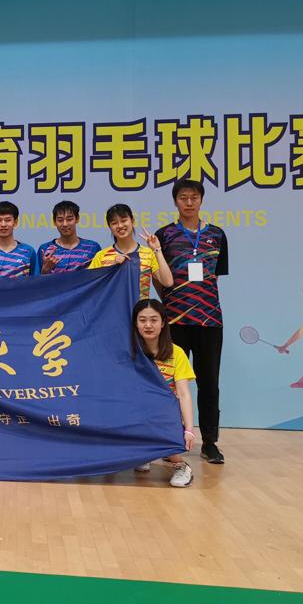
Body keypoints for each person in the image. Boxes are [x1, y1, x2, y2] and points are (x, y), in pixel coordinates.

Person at [155, 179, 229, 464]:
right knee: (170, 383)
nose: (189, 202)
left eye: (194, 197)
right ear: (175, 201)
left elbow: (214, 276)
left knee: (209, 383)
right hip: (174, 320)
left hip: (210, 320)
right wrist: (172, 300)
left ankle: (210, 442)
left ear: (201, 200)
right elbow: (160, 277)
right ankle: (170, 439)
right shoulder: (165, 235)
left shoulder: (217, 235)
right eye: (183, 197)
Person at [132, 299, 195, 488]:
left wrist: (189, 429)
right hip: (137, 411)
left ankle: (181, 466)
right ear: (135, 323)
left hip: (165, 415)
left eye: (154, 320)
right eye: (142, 320)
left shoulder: (177, 353)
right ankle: (144, 453)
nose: (148, 325)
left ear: (163, 323)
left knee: (162, 412)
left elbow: (183, 394)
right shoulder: (130, 353)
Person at [89, 204, 172, 301]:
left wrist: (157, 250)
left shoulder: (148, 253)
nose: (120, 226)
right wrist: (111, 268)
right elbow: (90, 287)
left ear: (132, 221)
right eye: (114, 223)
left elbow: (168, 282)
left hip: (140, 309)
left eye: (124, 220)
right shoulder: (101, 256)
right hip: (111, 309)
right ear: (110, 227)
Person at [37, 200, 101, 275]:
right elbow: (36, 280)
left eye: (69, 219)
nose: (65, 224)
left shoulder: (93, 248)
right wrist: (45, 270)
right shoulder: (45, 249)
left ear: (77, 219)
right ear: (54, 222)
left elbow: (100, 277)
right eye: (60, 220)